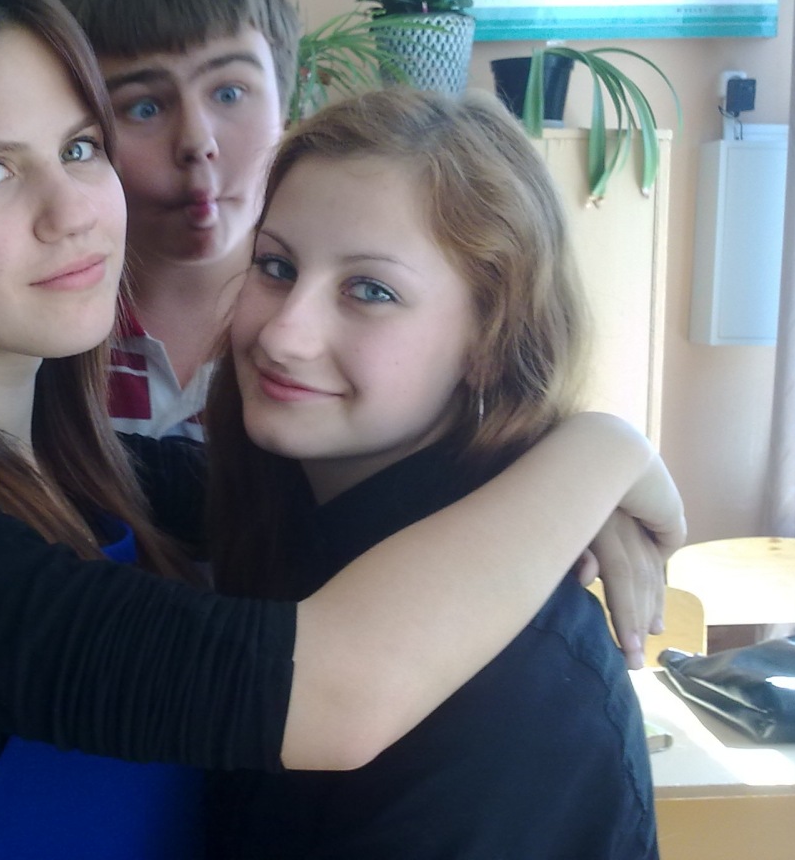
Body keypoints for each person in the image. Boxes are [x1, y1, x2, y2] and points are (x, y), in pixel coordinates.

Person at [0, 0, 683, 859]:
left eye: (80, 147)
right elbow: (334, 690)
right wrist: (601, 451)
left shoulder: (84, 472)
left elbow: (301, 497)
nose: (73, 209)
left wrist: (550, 473)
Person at [205, 89, 660, 858]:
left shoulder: (518, 681)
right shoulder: (268, 519)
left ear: (489, 344)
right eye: (276, 267)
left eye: (370, 291)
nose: (283, 335)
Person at [48, 0, 297, 439]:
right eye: (144, 107)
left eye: (229, 93)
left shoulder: (324, 327)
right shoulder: (44, 338)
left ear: (285, 107)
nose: (196, 143)